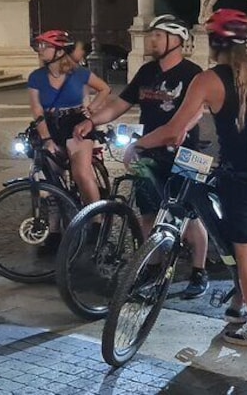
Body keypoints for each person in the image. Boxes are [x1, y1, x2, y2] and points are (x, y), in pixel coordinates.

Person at [123, 8, 247, 347]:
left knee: (244, 255)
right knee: (245, 246)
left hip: (239, 178)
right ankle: (238, 306)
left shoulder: (208, 79)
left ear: (213, 42)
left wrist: (138, 143)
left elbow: (171, 131)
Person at [74, 15, 210, 299]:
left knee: (187, 214)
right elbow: (120, 104)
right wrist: (93, 122)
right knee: (148, 210)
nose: (152, 40)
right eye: (152, 35)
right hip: (149, 151)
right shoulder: (147, 72)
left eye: (158, 36)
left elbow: (198, 110)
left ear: (177, 41)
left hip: (185, 154)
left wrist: (184, 126)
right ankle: (154, 265)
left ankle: (199, 271)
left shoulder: (192, 73)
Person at [27, 30, 111, 252]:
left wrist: (91, 110)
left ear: (58, 50)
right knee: (50, 179)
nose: (40, 50)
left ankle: (96, 222)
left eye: (44, 46)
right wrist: (46, 139)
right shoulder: (36, 77)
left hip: (75, 123)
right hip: (50, 126)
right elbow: (36, 108)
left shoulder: (79, 73)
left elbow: (105, 89)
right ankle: (54, 231)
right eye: (40, 46)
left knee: (82, 173)